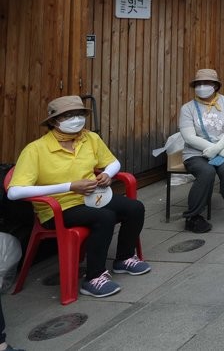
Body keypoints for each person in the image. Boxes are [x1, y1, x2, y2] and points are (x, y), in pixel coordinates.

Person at [7, 95, 150, 298]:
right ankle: (93, 278)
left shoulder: (90, 138)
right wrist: (70, 187)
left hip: (93, 197)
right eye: (69, 115)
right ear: (54, 121)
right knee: (105, 217)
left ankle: (124, 258)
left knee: (135, 208)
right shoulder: (35, 150)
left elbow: (113, 162)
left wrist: (107, 175)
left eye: (79, 114)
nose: (76, 119)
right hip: (58, 208)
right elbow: (15, 192)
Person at [179, 69, 224, 233]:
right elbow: (189, 137)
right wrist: (214, 150)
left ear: (216, 86)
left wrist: (219, 149)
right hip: (195, 153)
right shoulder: (187, 108)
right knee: (206, 172)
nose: (202, 87)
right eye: (198, 84)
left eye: (207, 83)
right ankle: (192, 217)